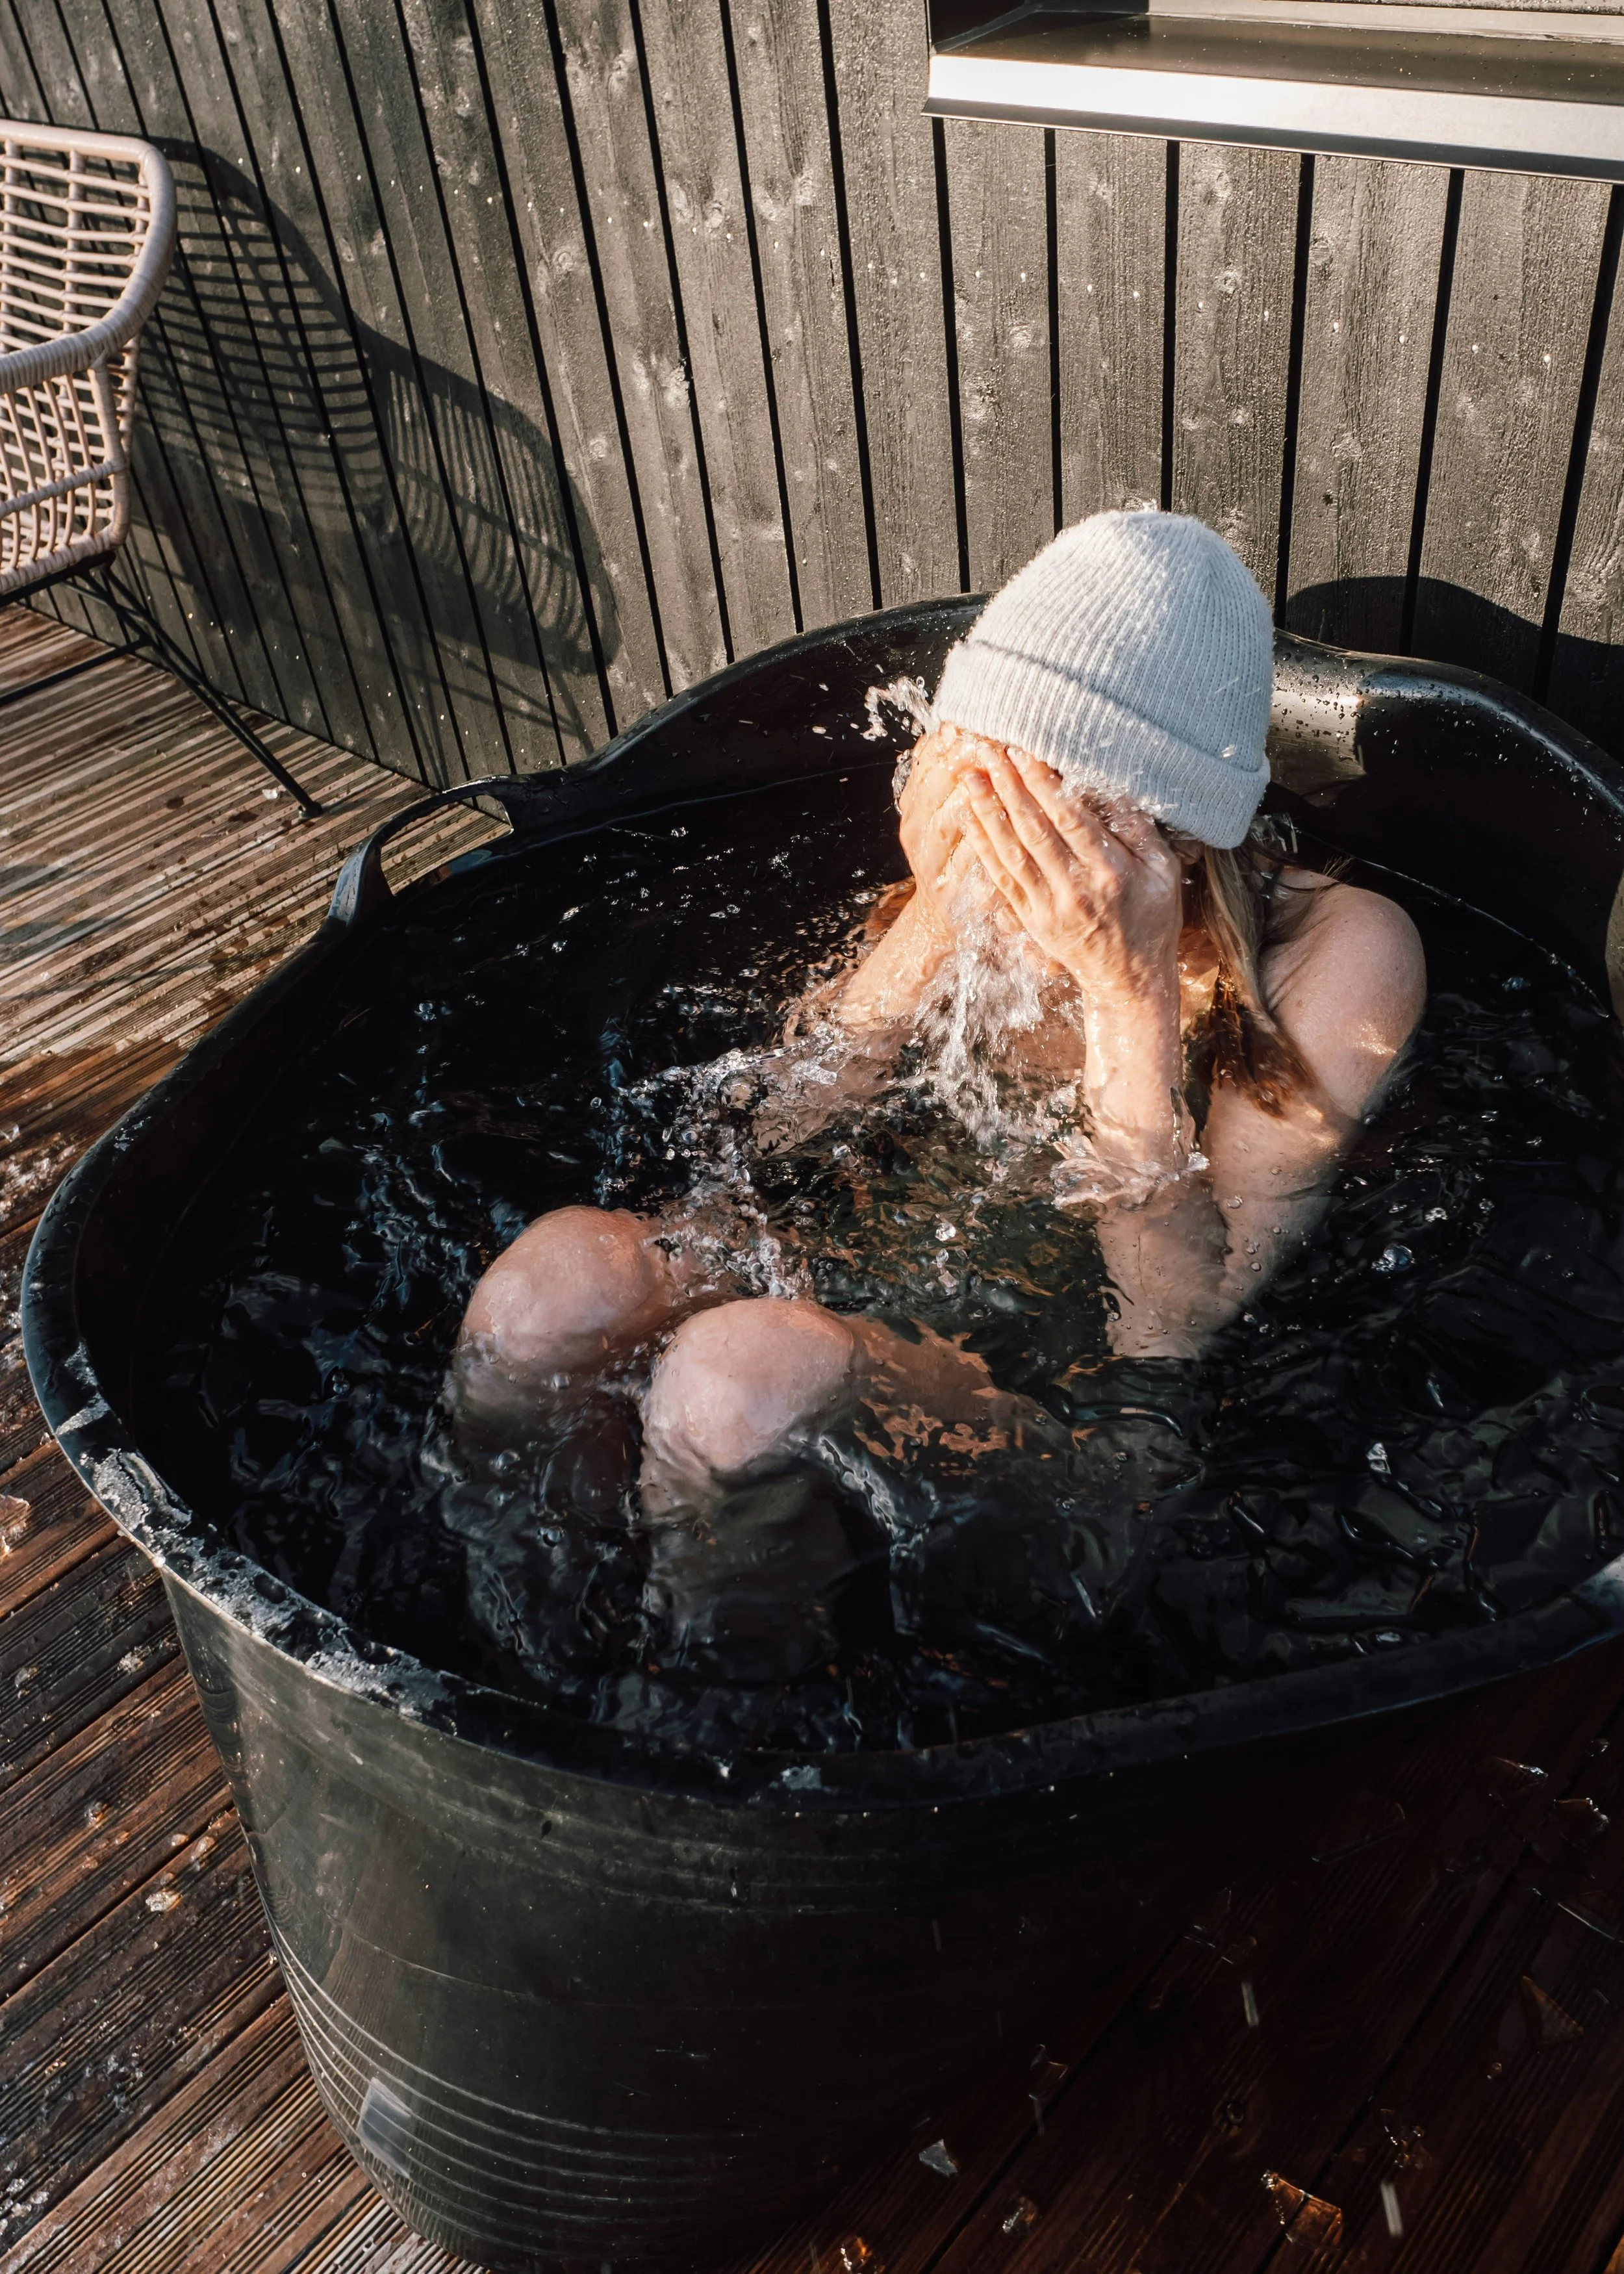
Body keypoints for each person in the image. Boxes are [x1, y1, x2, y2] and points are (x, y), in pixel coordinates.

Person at [450, 512, 1425, 1657]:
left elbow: (1183, 1325)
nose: (1013, 833)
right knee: (553, 1291)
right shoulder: (988, 839)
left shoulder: (1340, 952)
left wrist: (1129, 992)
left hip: (1095, 1430)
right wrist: (927, 912)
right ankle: (514, 1635)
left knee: (737, 1382)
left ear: (1169, 832)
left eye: (1050, 805)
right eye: (988, 772)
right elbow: (779, 1125)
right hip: (895, 1291)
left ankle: (707, 1717)